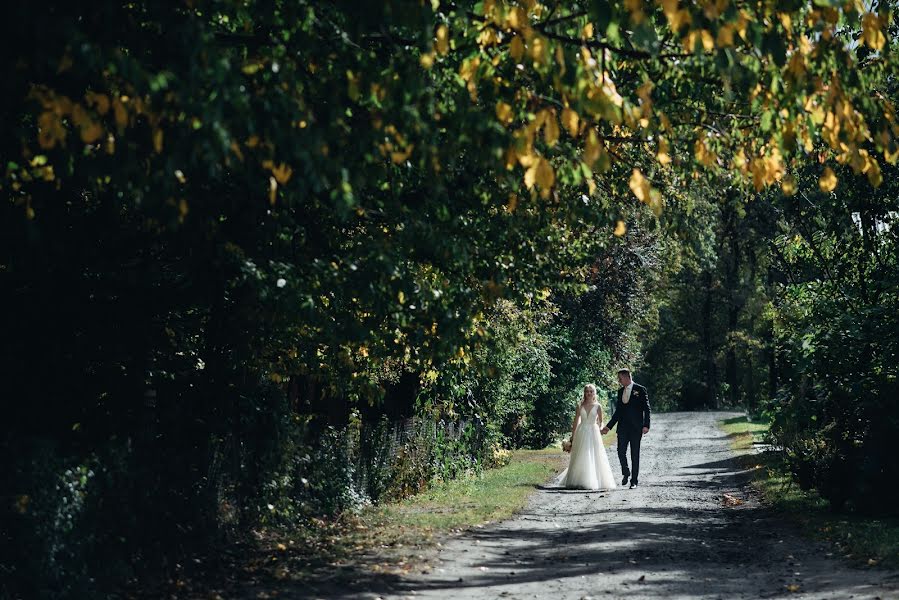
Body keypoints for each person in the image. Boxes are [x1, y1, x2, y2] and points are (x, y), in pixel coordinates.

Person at [562, 384, 617, 490]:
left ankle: (591, 480)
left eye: (591, 391)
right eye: (587, 391)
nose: (589, 393)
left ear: (594, 393)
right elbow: (576, 421)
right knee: (581, 454)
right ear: (584, 393)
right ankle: (579, 479)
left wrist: (600, 428)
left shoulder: (598, 406)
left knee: (592, 454)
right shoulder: (580, 405)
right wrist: (573, 435)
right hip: (581, 431)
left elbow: (601, 421)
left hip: (593, 431)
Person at [602, 368, 650, 489]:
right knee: (620, 451)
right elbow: (618, 412)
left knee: (635, 454)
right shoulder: (620, 392)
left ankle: (634, 481)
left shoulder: (640, 390)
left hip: (636, 428)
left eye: (620, 378)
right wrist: (608, 426)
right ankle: (626, 472)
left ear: (627, 377)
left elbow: (647, 409)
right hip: (622, 427)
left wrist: (646, 425)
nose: (619, 381)